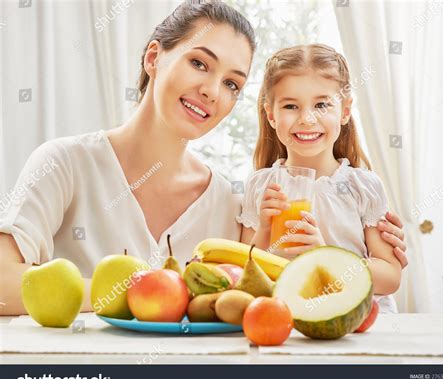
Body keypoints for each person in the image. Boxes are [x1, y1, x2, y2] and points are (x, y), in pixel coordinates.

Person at [0, 1, 406, 316]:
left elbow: (250, 293)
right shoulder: (65, 163)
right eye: (199, 63)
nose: (213, 91)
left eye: (231, 83)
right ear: (153, 57)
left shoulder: (228, 204)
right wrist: (142, 290)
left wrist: (357, 264)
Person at [238, 44, 402, 313]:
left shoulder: (363, 186)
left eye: (322, 104)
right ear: (271, 115)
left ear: (345, 110)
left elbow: (390, 277)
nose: (306, 118)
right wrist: (265, 230)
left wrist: (325, 256)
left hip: (356, 323)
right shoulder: (261, 186)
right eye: (291, 106)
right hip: (291, 319)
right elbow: (246, 270)